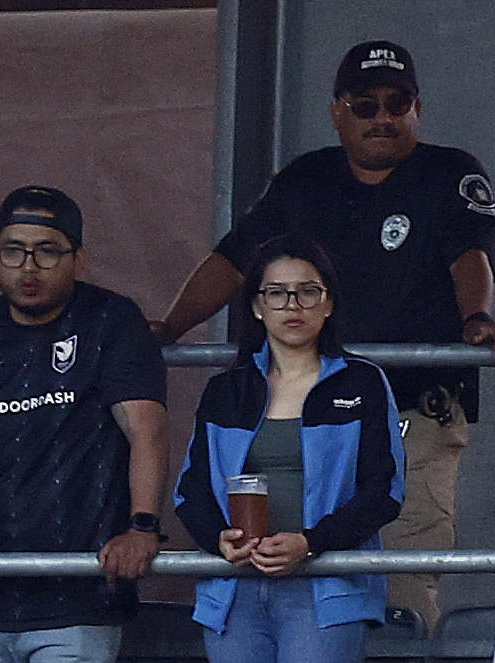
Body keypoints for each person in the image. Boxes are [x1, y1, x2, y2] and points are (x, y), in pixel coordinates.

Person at [154, 42, 495, 634]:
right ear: (337, 111)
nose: (382, 116)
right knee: (273, 571)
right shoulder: (306, 179)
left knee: (398, 586)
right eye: (365, 103)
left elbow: (470, 256)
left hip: (409, 412)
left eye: (397, 103)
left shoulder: (449, 172)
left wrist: (475, 321)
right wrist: (168, 330)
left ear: (417, 109)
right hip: (304, 417)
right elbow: (234, 260)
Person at [0, 185, 170, 663]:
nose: (28, 267)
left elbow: (146, 431)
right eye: (13, 251)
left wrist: (142, 527)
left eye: (47, 251)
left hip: (80, 595)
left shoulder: (111, 320)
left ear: (79, 258)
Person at [172, 240, 405, 663]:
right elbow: (190, 492)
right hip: (234, 587)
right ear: (257, 307)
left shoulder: (361, 382)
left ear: (328, 303)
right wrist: (218, 541)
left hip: (326, 585)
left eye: (308, 291)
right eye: (276, 293)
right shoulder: (226, 390)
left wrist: (311, 543)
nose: (292, 304)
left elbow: (385, 491)